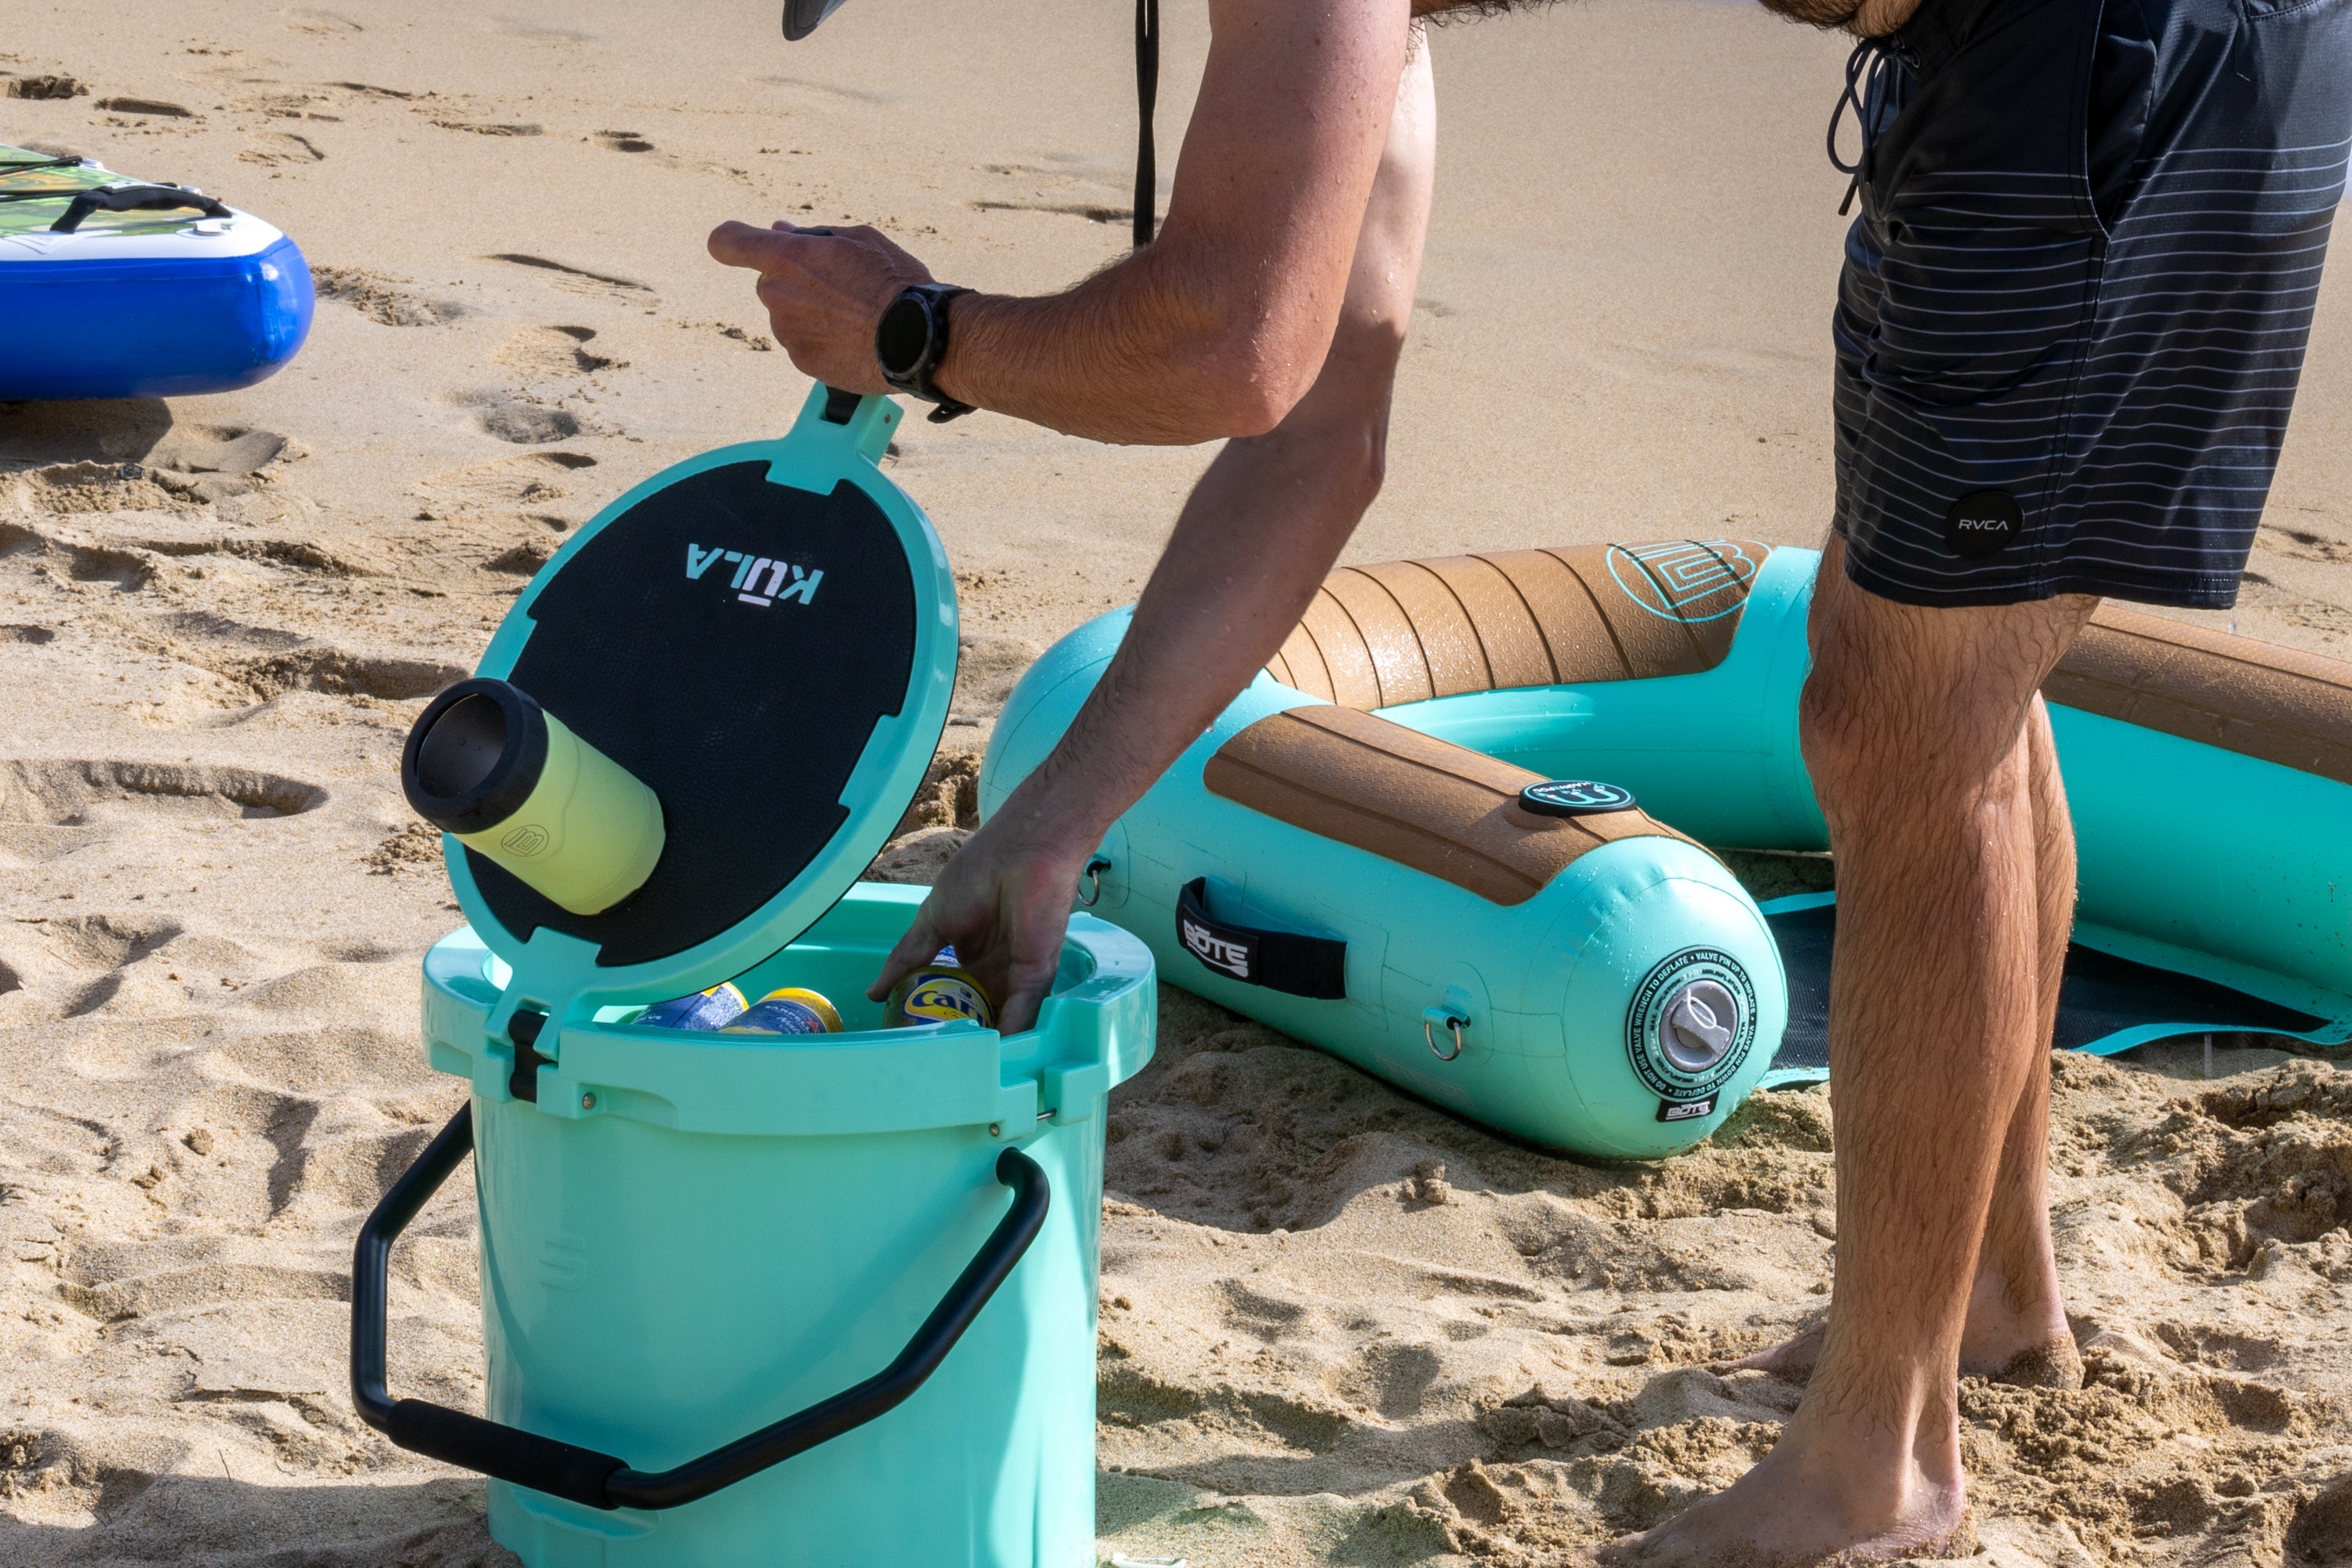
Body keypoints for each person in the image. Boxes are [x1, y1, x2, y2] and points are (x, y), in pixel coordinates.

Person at [710, 0, 2352, 1555]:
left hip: (2119, 42)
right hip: (1980, 53)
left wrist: (918, 334)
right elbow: (1316, 427)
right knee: (1920, 655)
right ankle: (1992, 1300)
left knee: (1910, 711)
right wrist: (1055, 820)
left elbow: (1233, 348)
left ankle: (1886, 1455)